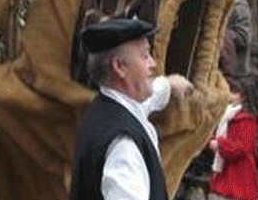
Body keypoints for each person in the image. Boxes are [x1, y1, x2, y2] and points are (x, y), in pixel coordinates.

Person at [70, 17, 193, 200]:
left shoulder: (106, 110)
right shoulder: (123, 146)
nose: (153, 63)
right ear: (119, 67)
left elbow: (145, 105)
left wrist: (169, 84)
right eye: (145, 56)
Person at [207, 78, 258, 200]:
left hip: (239, 175)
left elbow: (242, 147)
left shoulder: (246, 119)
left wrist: (219, 144)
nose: (228, 94)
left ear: (242, 96)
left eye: (232, 92)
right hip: (227, 171)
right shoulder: (229, 115)